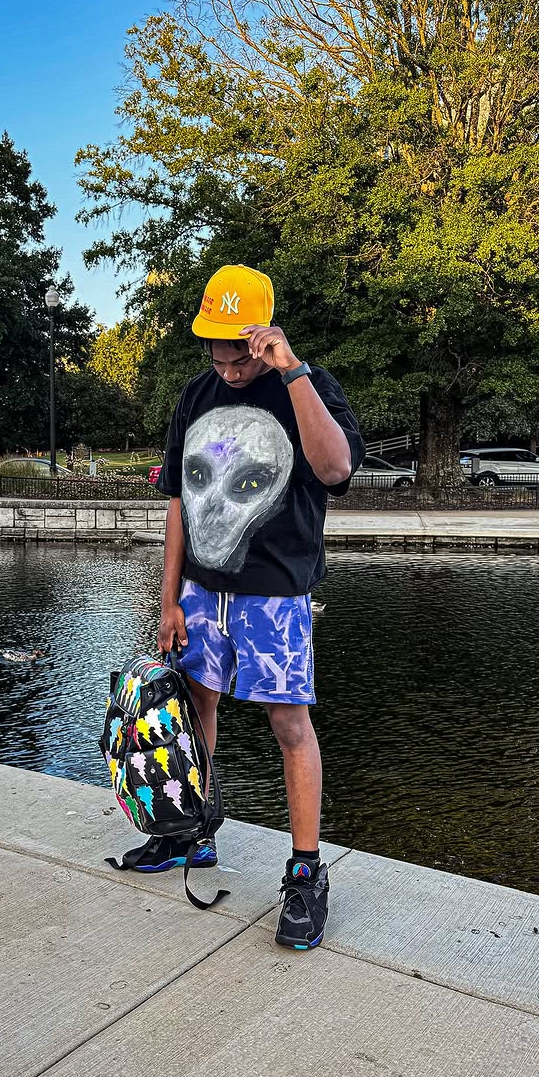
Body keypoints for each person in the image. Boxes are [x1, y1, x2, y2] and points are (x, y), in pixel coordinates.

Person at [149, 264, 365, 950]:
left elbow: (336, 471)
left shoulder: (307, 384)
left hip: (275, 591)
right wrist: (168, 601)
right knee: (198, 706)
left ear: (264, 334)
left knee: (288, 724)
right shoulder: (194, 394)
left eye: (241, 349)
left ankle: (306, 873)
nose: (232, 365)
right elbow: (179, 501)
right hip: (200, 591)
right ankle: (194, 832)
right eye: (219, 349)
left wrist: (292, 371)